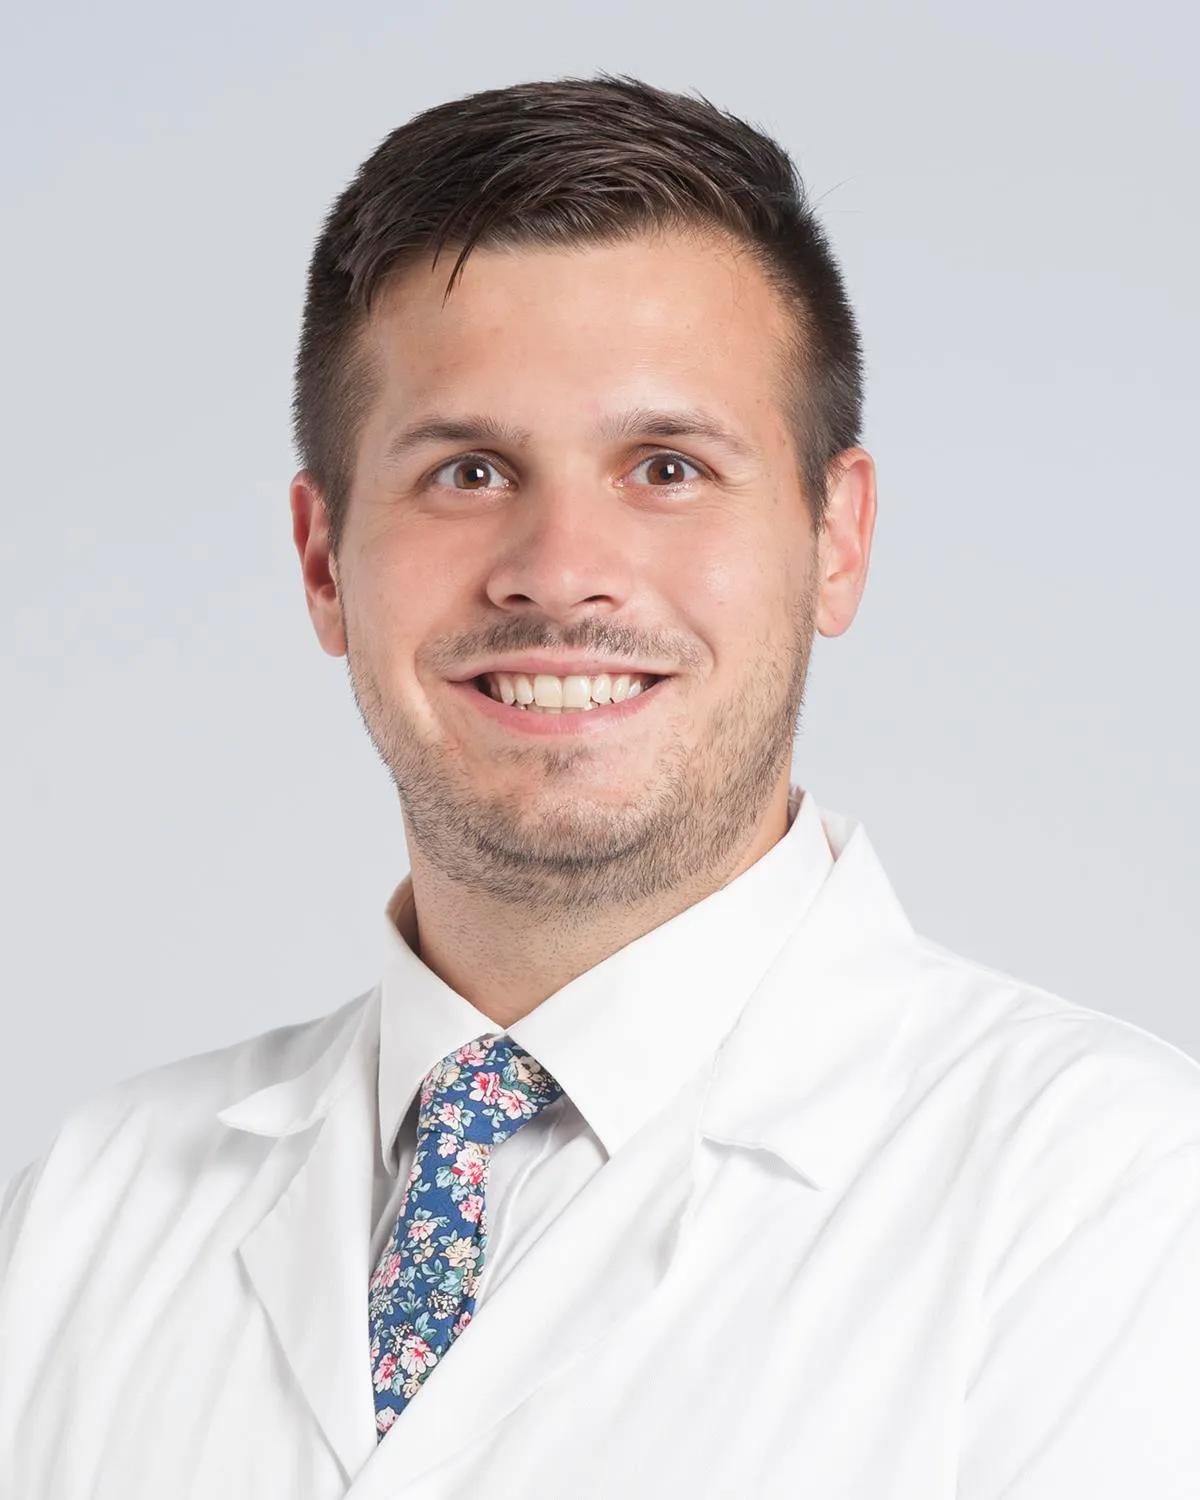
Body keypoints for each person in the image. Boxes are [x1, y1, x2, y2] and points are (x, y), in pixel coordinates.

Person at [2, 73, 1198, 1500]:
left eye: (668, 467)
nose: (561, 570)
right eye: (467, 471)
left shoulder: (1109, 1199)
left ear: (837, 539)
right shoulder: (86, 1213)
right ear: (322, 563)